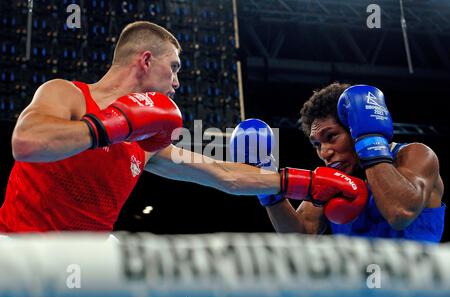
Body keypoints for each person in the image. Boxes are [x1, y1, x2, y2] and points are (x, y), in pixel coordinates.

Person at [0, 22, 366, 232]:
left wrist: (308, 182)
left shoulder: (146, 142)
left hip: (79, 269)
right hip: (17, 256)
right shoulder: (68, 95)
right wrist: (114, 125)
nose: (176, 83)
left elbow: (225, 174)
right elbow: (27, 142)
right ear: (145, 60)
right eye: (173, 67)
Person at [251, 82, 445, 242]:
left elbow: (401, 212)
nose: (325, 152)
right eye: (317, 144)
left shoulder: (415, 155)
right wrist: (268, 192)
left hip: (417, 285)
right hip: (358, 287)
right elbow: (302, 234)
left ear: (354, 129)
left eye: (331, 137)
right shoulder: (333, 179)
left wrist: (369, 142)